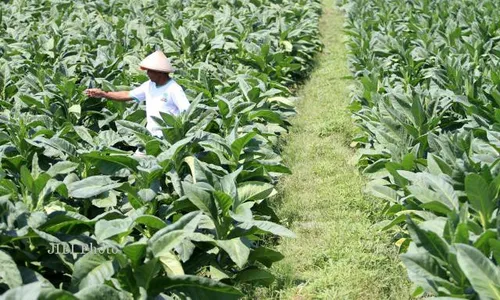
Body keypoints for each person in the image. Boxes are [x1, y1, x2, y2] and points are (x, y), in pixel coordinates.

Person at [84, 50, 190, 138]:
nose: (147, 74)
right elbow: (127, 95)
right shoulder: (149, 85)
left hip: (169, 139)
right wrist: (103, 94)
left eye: (150, 71)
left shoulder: (174, 89)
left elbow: (187, 112)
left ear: (160, 72)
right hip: (150, 136)